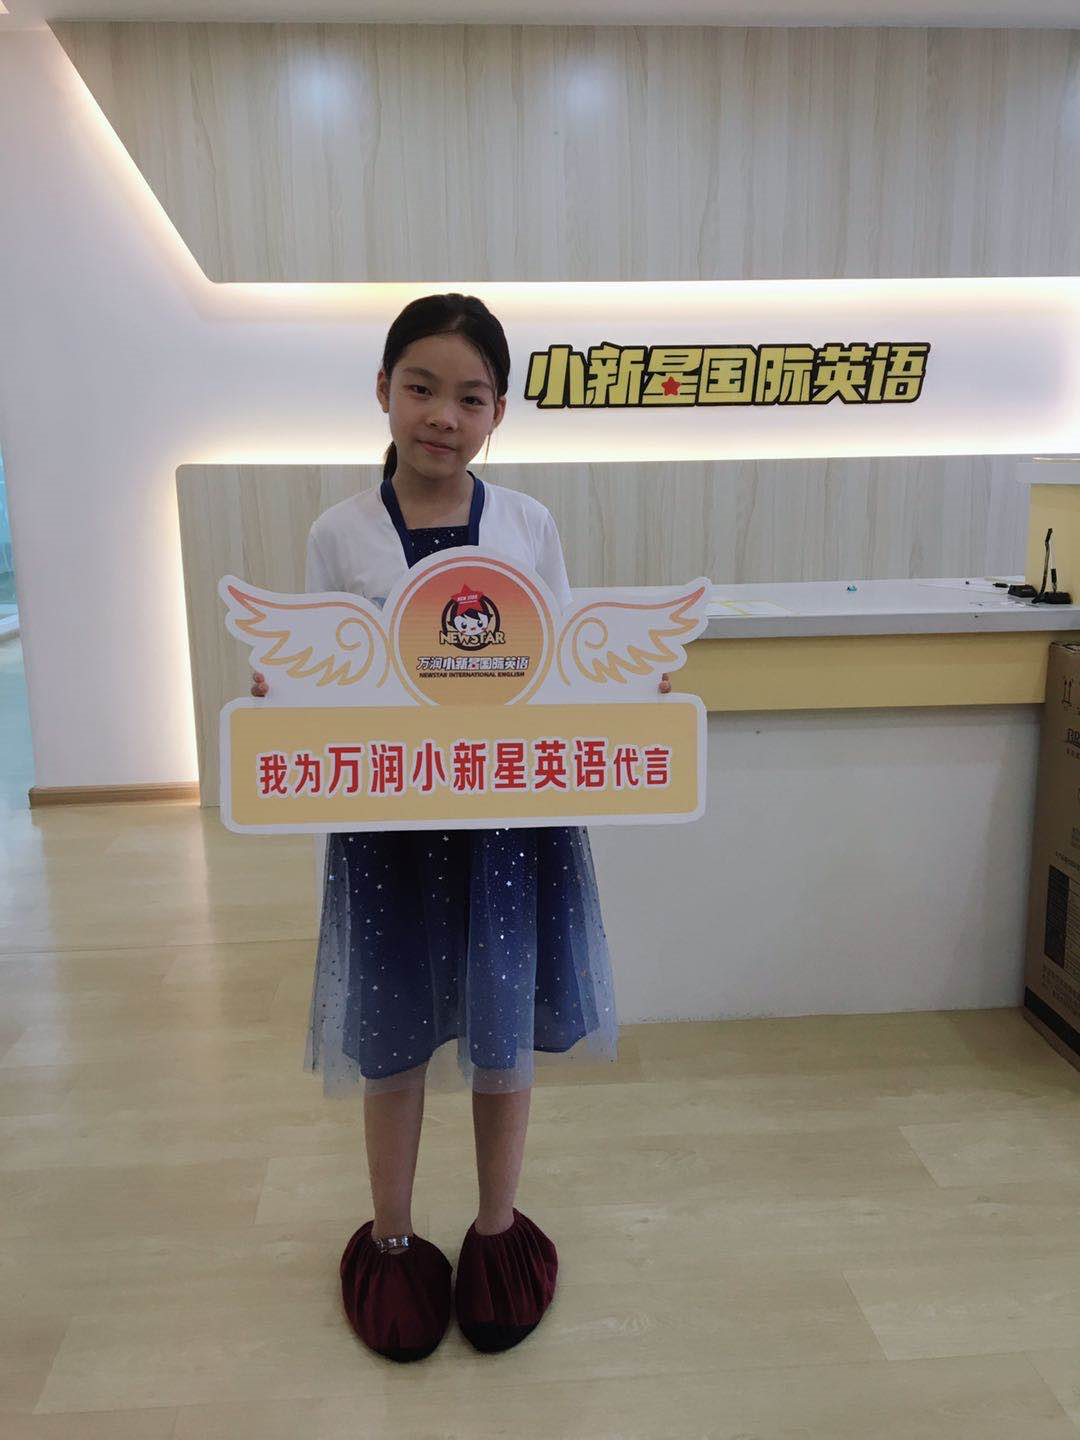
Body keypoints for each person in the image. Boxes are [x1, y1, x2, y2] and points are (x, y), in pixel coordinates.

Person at [251, 292, 670, 1363]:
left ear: (498, 413)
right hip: (387, 831)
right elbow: (319, 672)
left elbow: (565, 657)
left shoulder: (527, 523)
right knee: (392, 1036)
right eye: (422, 387)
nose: (443, 414)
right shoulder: (338, 531)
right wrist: (281, 693)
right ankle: (392, 1240)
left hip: (508, 829)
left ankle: (494, 1232)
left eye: (471, 396)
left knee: (499, 1028)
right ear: (383, 392)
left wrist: (631, 689)